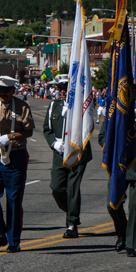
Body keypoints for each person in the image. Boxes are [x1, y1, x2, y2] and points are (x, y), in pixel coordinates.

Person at [0, 75, 35, 253]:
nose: (2, 94)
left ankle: (13, 240)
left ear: (13, 91)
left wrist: (11, 136)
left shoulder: (22, 106)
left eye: (5, 91)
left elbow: (28, 131)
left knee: (13, 199)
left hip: (16, 155)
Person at [100, 85, 136, 257]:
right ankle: (122, 233)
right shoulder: (112, 112)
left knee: (135, 208)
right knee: (112, 205)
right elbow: (102, 137)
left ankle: (131, 243)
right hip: (118, 165)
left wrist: (126, 127)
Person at [43, 75, 91, 238]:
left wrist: (73, 114)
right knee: (56, 187)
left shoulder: (81, 106)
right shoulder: (53, 106)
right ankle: (71, 210)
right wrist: (54, 144)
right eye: (60, 88)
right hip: (60, 152)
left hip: (77, 151)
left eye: (65, 88)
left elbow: (88, 126)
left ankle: (72, 223)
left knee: (72, 188)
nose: (62, 91)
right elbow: (47, 129)